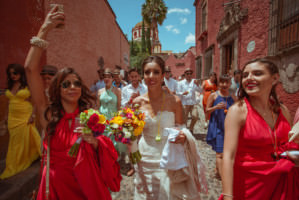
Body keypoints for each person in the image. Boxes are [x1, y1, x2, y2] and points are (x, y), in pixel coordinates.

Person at [24, 6, 121, 200]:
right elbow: (29, 68)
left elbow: (106, 150)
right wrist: (45, 29)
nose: (72, 86)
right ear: (57, 89)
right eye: (66, 84)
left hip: (86, 184)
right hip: (57, 185)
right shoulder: (48, 114)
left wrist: (94, 142)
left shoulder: (90, 117)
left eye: (77, 83)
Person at [221, 58, 299, 200]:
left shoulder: (283, 110)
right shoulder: (237, 111)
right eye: (245, 75)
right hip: (249, 185)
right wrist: (227, 195)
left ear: (274, 78)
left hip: (282, 182)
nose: (249, 78)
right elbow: (228, 156)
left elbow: (288, 144)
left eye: (257, 73)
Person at [133, 56, 207, 200]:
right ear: (143, 75)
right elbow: (133, 133)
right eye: (147, 72)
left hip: (169, 158)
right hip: (144, 157)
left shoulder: (174, 101)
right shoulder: (137, 102)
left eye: (156, 72)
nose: (151, 76)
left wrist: (183, 135)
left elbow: (181, 128)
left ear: (163, 76)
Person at [0, 63, 41, 179]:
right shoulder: (10, 85)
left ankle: (21, 161)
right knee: (14, 141)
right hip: (13, 117)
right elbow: (9, 103)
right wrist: (5, 117)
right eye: (10, 73)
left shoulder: (27, 85)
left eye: (15, 73)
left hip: (25, 115)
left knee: (23, 139)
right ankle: (16, 161)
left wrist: (33, 115)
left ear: (20, 73)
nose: (13, 75)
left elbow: (35, 101)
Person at [205, 74, 236, 180]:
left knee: (227, 152)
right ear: (219, 83)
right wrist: (216, 107)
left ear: (230, 84)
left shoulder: (232, 96)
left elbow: (239, 108)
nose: (224, 84)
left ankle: (218, 170)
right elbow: (207, 110)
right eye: (222, 82)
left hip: (230, 128)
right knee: (220, 154)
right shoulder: (214, 95)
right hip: (218, 126)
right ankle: (224, 179)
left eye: (226, 82)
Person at [177, 68, 202, 133]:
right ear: (185, 74)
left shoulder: (194, 82)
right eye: (187, 74)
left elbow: (200, 91)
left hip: (193, 103)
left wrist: (198, 85)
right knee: (184, 120)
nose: (189, 75)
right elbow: (177, 92)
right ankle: (185, 132)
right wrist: (182, 93)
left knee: (195, 116)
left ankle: (191, 128)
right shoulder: (180, 83)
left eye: (190, 73)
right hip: (185, 103)